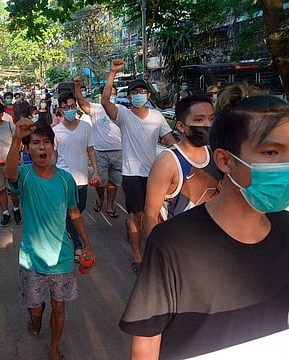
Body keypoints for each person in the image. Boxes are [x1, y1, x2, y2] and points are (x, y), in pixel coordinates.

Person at [119, 89, 289, 359]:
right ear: (226, 161)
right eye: (270, 152)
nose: (284, 165)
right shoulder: (171, 245)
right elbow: (147, 344)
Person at [5, 119, 96, 360]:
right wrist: (16, 139)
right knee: (35, 309)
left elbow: (74, 213)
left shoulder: (66, 180)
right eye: (35, 143)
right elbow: (9, 173)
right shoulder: (24, 177)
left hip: (62, 258)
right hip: (33, 258)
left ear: (53, 147)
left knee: (59, 306)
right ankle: (35, 318)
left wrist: (86, 245)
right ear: (28, 149)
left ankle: (54, 347)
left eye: (46, 142)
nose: (42, 147)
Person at [101, 59, 177, 275]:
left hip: (154, 173)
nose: (139, 94)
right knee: (136, 214)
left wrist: (185, 153)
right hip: (132, 174)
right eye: (135, 91)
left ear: (148, 96)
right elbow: (106, 101)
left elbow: (169, 139)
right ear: (129, 96)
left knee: (153, 214)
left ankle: (155, 249)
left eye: (143, 91)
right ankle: (138, 255)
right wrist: (112, 73)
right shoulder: (123, 115)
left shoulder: (157, 116)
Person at [144, 95, 220, 237]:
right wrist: (153, 256)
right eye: (199, 119)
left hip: (212, 244)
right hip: (178, 246)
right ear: (180, 126)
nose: (207, 125)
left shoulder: (217, 156)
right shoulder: (168, 162)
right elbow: (150, 216)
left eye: (211, 118)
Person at [53, 92, 100, 262]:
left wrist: (95, 171)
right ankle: (78, 246)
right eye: (66, 107)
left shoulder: (86, 127)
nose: (70, 110)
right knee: (70, 214)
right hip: (64, 179)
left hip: (82, 179)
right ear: (60, 110)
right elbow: (54, 155)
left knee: (79, 210)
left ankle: (69, 233)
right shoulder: (56, 131)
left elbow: (91, 150)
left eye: (73, 106)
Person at [74, 76, 122, 218]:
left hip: (119, 152)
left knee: (114, 182)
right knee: (100, 182)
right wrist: (77, 85)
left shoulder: (121, 109)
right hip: (100, 152)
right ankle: (100, 199)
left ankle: (110, 206)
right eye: (109, 93)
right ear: (103, 95)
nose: (111, 95)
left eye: (113, 93)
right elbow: (81, 101)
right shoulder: (95, 108)